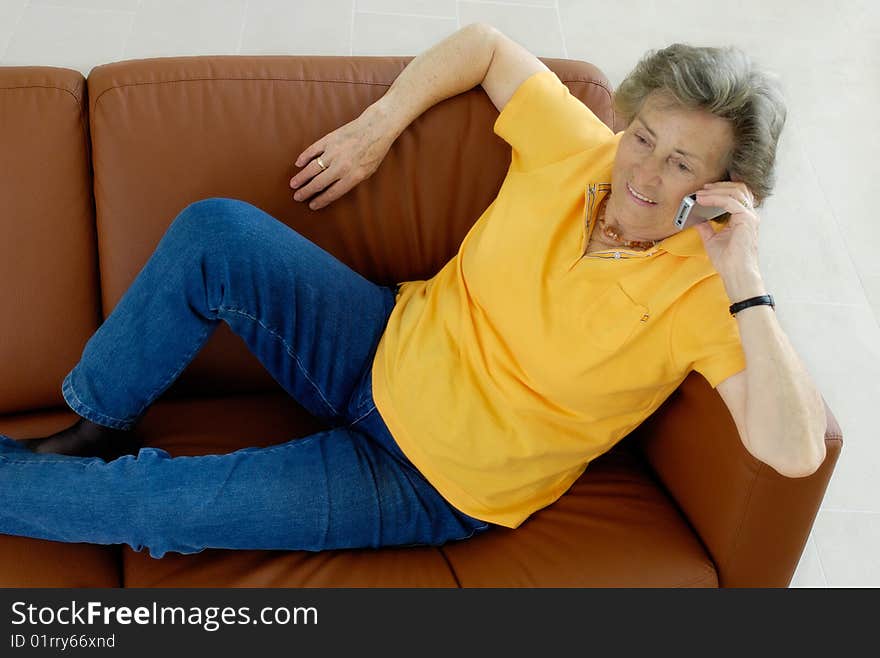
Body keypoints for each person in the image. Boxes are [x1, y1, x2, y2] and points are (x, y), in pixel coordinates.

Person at [1, 24, 821, 560]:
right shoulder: (578, 147)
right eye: (642, 136)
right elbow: (487, 46)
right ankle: (92, 423)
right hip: (379, 341)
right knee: (218, 231)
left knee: (163, 509)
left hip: (426, 482)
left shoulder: (708, 297)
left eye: (682, 163)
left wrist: (744, 272)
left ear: (726, 190)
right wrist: (379, 124)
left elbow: (793, 452)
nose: (642, 171)